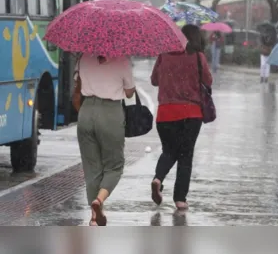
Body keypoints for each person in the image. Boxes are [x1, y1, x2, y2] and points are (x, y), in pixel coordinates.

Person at [150, 24, 213, 210]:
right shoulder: (198, 56)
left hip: (165, 113)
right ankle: (180, 198)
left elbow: (154, 80)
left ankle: (158, 178)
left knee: (169, 151)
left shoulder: (164, 55)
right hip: (191, 114)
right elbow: (208, 81)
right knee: (185, 155)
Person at [74, 54, 136, 226]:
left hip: (86, 113)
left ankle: (94, 217)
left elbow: (77, 83)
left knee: (91, 167)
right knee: (114, 165)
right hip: (111, 113)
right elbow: (130, 93)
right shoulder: (122, 60)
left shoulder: (83, 59)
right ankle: (99, 201)